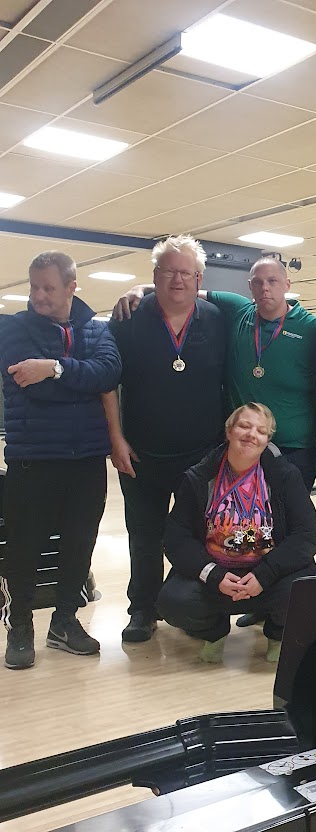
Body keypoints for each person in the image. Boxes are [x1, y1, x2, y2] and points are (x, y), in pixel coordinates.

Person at [113, 256, 316, 492]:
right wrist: (141, 288)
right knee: (241, 512)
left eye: (272, 281)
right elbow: (186, 289)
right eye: (258, 282)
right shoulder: (238, 310)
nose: (265, 288)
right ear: (250, 286)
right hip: (242, 445)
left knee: (289, 512)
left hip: (295, 448)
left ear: (287, 284)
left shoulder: (312, 329)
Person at [0, 251, 121, 669]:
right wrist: (77, 379)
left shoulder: (97, 328)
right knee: (25, 548)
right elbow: (29, 382)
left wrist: (53, 368)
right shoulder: (13, 329)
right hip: (33, 460)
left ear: (71, 286)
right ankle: (19, 626)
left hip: (86, 461)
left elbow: (109, 373)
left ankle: (64, 622)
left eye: (48, 288)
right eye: (34, 287)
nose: (38, 296)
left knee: (78, 545)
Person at [105, 234, 225, 643]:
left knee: (199, 538)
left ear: (198, 278)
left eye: (186, 273)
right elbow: (108, 383)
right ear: (155, 275)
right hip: (142, 454)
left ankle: (192, 607)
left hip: (202, 457)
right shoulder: (128, 318)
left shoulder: (217, 319)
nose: (178, 280)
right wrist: (116, 438)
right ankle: (143, 609)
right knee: (144, 537)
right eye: (169, 272)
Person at [158, 403, 316, 663]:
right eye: (245, 426)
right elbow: (177, 539)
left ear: (267, 440)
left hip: (268, 575)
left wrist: (265, 574)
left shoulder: (284, 476)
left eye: (261, 431)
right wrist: (214, 575)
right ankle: (214, 633)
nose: (251, 434)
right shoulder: (199, 477)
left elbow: (306, 535)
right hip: (217, 574)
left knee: (312, 593)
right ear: (229, 431)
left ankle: (278, 634)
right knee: (173, 601)